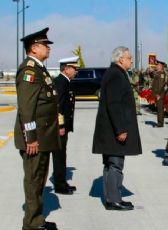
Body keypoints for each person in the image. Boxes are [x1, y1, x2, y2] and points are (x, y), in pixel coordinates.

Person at [14, 27, 59, 230]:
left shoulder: (40, 69)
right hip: (35, 138)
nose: (48, 48)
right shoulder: (30, 71)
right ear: (33, 48)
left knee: (39, 178)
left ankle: (37, 220)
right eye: (45, 45)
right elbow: (26, 107)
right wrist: (30, 137)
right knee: (33, 180)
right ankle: (31, 224)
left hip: (44, 135)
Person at [92, 46, 142, 211]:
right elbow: (114, 105)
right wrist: (120, 129)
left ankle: (112, 197)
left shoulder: (116, 73)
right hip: (114, 130)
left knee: (111, 163)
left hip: (111, 129)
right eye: (129, 58)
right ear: (121, 59)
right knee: (115, 164)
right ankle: (113, 200)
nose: (131, 60)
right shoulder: (116, 75)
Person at [51, 56, 79, 195]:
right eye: (74, 68)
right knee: (59, 155)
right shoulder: (61, 83)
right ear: (66, 69)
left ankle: (62, 182)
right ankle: (60, 185)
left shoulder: (65, 82)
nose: (76, 71)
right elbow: (59, 106)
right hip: (60, 127)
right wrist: (61, 126)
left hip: (64, 126)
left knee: (62, 154)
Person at [151, 61, 168, 127]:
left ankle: (160, 123)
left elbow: (161, 85)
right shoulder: (158, 73)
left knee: (160, 108)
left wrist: (158, 94)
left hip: (160, 94)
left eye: (157, 65)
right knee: (159, 108)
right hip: (158, 94)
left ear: (161, 66)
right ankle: (159, 122)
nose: (156, 66)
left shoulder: (161, 74)